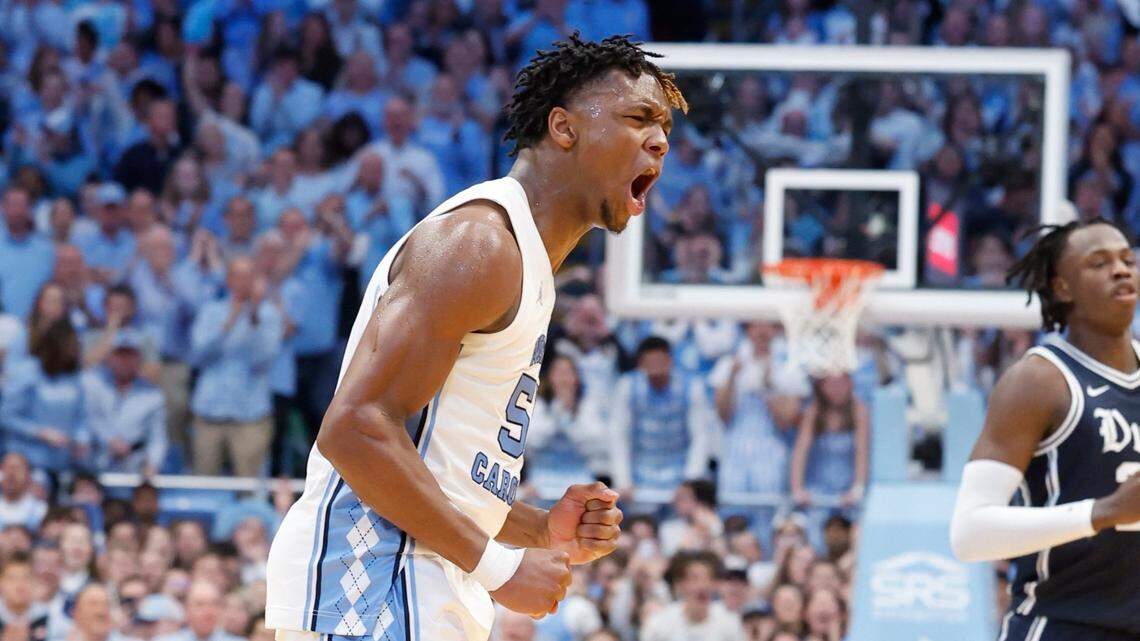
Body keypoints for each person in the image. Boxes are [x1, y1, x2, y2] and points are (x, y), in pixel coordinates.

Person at [266, 34, 686, 641]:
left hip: (417, 584)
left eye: (665, 127)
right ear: (563, 128)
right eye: (637, 118)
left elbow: (442, 474)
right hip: (371, 582)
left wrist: (541, 531)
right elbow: (354, 428)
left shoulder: (529, 265)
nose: (659, 140)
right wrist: (498, 566)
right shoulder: (480, 244)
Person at [950, 219, 1140, 640]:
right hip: (1060, 625)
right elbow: (969, 534)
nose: (1122, 270)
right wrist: (1102, 512)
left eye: (1128, 259)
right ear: (1062, 288)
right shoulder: (1038, 381)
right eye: (1099, 262)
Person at [189, 257, 283, 477]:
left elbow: (264, 360)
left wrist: (253, 317)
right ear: (229, 280)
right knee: (204, 482)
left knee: (249, 487)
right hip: (209, 411)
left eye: (249, 276)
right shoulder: (211, 312)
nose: (244, 282)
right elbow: (198, 356)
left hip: (250, 413)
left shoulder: (268, 315)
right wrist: (228, 323)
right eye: (238, 276)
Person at [640, 551, 746, 641]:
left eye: (708, 578)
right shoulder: (659, 624)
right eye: (694, 579)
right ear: (680, 585)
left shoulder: (729, 622)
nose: (703, 586)